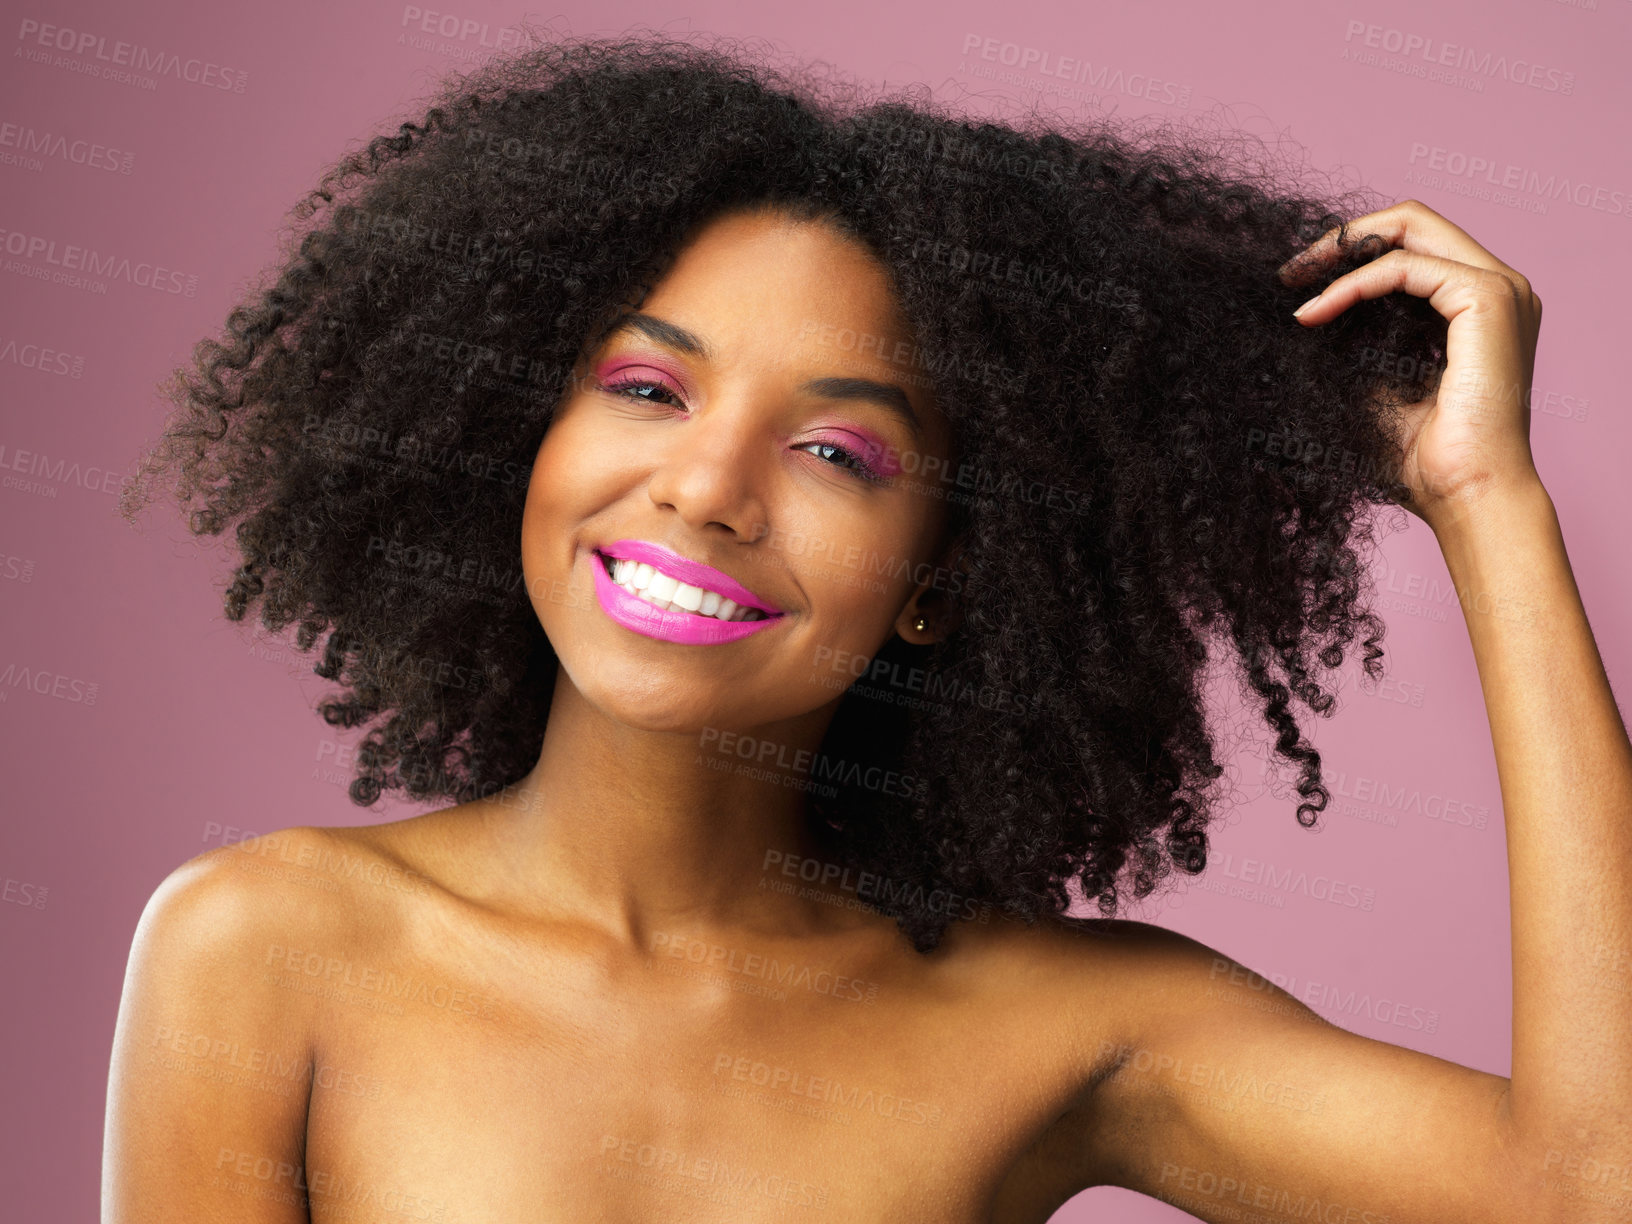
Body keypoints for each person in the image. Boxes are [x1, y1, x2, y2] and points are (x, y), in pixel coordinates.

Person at [102, 31, 1627, 1224]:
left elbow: (1589, 1192)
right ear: (525, 430)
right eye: (647, 390)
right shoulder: (268, 948)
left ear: (943, 580)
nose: (703, 486)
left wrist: (1483, 499)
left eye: (837, 452)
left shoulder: (1064, 1030)